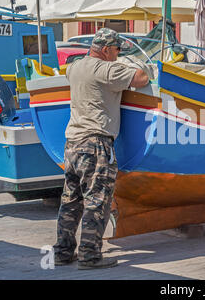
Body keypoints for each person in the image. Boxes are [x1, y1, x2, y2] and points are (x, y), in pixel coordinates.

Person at [53, 28, 149, 270]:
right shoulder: (108, 70)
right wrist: (134, 65)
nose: (118, 55)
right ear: (106, 50)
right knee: (97, 201)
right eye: (117, 50)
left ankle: (62, 252)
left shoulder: (74, 68)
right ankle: (89, 255)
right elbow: (142, 78)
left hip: (72, 142)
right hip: (95, 144)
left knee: (71, 200)